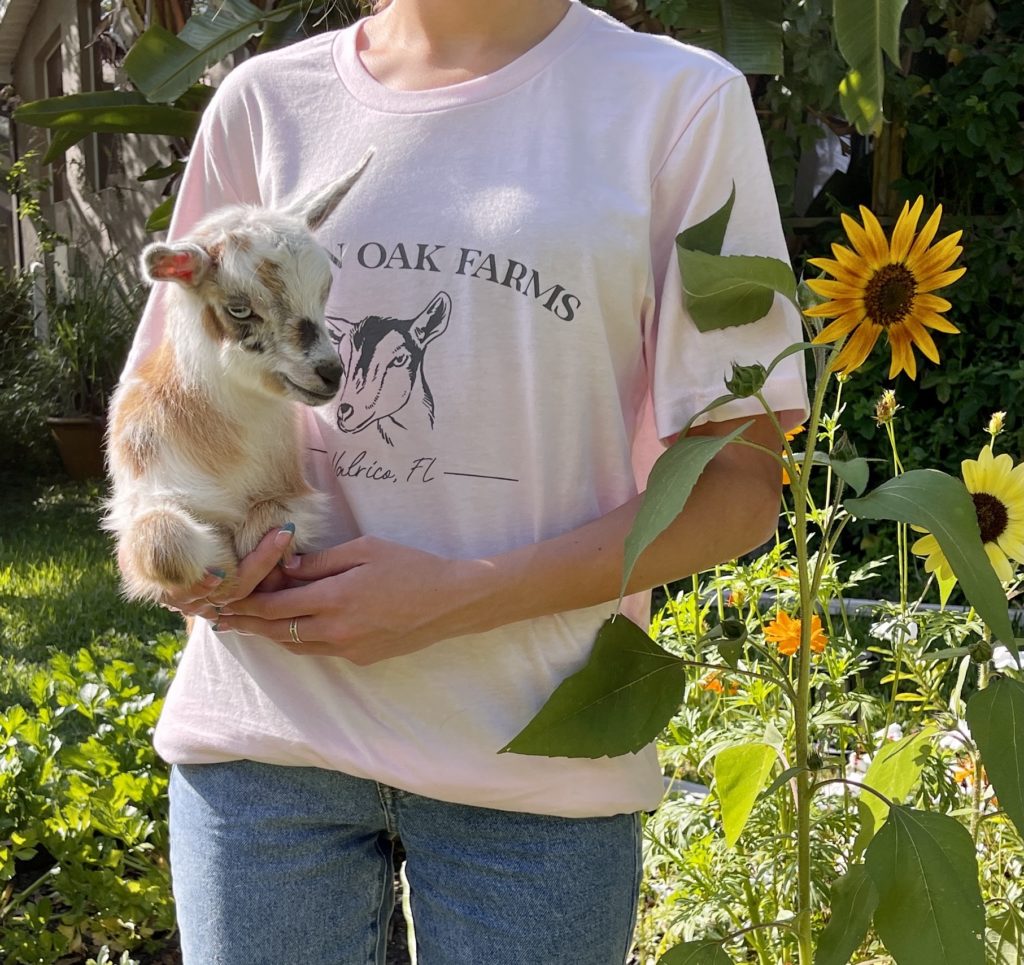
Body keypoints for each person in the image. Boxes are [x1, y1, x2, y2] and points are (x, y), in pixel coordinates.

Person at [121, 1, 809, 961]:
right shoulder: (264, 104)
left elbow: (741, 482)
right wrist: (192, 565)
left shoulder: (678, 104)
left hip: (535, 775)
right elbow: (167, 415)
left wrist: (462, 596)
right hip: (263, 760)